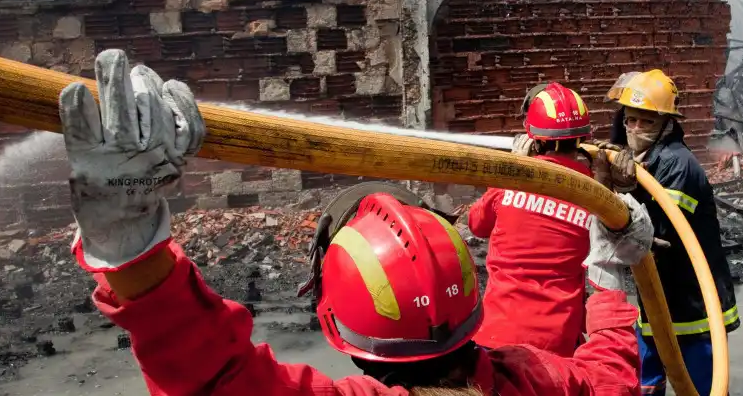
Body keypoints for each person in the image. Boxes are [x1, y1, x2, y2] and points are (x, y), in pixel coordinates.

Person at [57, 49, 656, 395]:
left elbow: (212, 381)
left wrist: (128, 241)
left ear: (335, 327)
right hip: (548, 332)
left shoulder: (508, 186)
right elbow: (608, 374)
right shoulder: (533, 382)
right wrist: (609, 272)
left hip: (507, 322)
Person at [467, 82, 638, 357]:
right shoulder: (596, 199)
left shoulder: (509, 185)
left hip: (496, 337)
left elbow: (477, 224)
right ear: (583, 139)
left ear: (532, 138)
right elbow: (619, 243)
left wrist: (513, 169)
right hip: (556, 345)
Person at [601, 70, 740, 396]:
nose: (635, 129)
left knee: (703, 389)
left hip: (693, 306)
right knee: (645, 386)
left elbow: (658, 233)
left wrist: (623, 191)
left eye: (646, 122)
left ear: (666, 123)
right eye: (630, 120)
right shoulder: (639, 159)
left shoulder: (679, 164)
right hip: (655, 300)